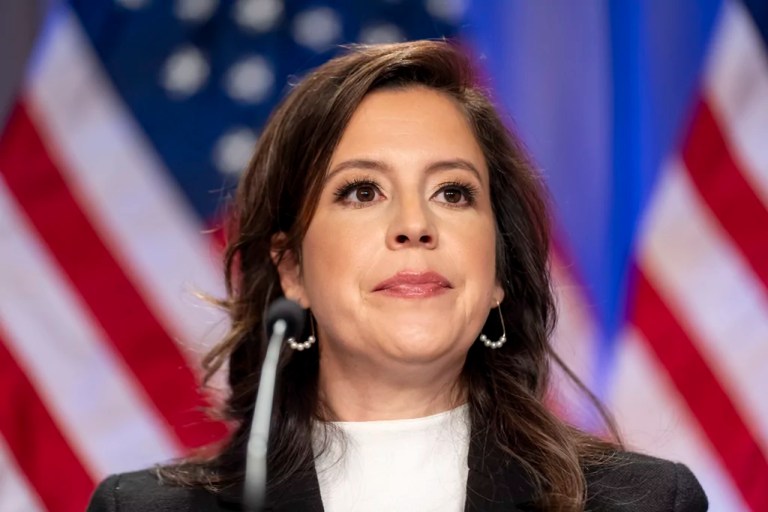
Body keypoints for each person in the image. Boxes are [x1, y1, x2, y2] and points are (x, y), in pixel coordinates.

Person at [87, 40, 707, 511]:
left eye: (453, 193)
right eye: (361, 191)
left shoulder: (647, 502)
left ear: (497, 274)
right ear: (291, 268)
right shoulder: (142, 508)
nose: (415, 224)